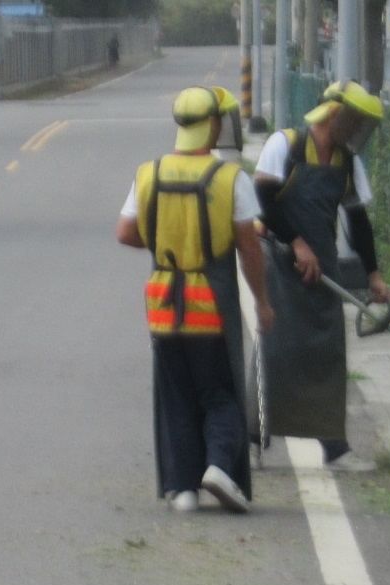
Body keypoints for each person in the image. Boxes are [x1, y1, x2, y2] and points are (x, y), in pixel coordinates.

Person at [116, 86, 274, 513]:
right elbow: (249, 247)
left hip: (164, 300)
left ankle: (182, 488)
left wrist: (166, 243)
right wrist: (261, 301)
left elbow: (126, 233)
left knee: (175, 392)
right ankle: (220, 466)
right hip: (212, 301)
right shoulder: (229, 178)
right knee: (220, 391)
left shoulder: (148, 173)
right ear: (215, 124)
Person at [253, 80, 390, 472]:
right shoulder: (286, 145)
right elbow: (262, 200)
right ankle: (256, 433)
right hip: (280, 262)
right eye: (356, 120)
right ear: (335, 114)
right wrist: (296, 243)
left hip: (323, 268)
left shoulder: (347, 162)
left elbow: (358, 220)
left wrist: (374, 275)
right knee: (278, 349)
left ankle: (333, 445)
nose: (359, 129)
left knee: (327, 354)